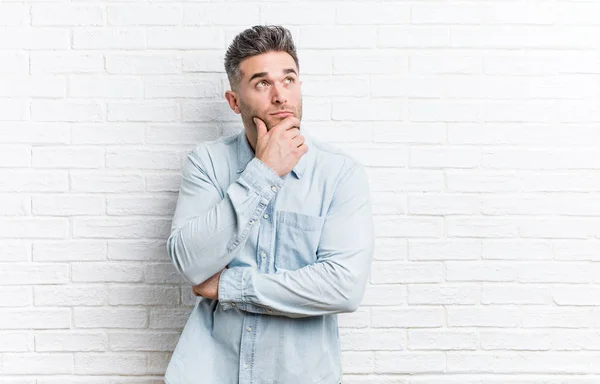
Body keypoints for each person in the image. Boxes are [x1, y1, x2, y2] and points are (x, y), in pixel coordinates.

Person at [165, 25, 374, 384]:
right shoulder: (207, 164)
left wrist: (229, 286)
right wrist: (263, 173)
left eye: (288, 80)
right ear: (234, 101)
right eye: (262, 83)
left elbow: (344, 287)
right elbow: (190, 263)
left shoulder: (340, 173)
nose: (280, 96)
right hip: (209, 373)